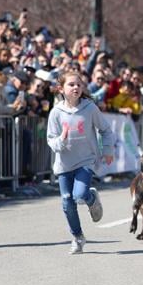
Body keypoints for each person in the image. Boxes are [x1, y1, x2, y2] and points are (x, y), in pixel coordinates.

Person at [46, 70, 115, 254]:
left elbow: (106, 130)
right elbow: (51, 141)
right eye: (71, 84)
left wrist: (107, 150)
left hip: (86, 160)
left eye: (78, 84)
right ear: (61, 89)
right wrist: (61, 138)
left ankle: (91, 199)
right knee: (67, 201)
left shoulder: (90, 108)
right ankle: (77, 237)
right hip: (64, 164)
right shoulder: (56, 113)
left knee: (80, 193)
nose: (76, 87)